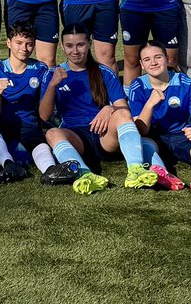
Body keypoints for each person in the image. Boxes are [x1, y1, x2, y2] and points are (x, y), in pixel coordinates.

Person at [38, 25, 160, 195]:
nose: (75, 51)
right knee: (52, 133)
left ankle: (136, 170)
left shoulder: (105, 72)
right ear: (62, 47)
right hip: (76, 138)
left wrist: (109, 108)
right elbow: (44, 115)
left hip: (103, 135)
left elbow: (123, 108)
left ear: (89, 43)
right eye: (69, 46)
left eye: (80, 44)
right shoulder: (53, 74)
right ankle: (83, 174)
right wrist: (52, 85)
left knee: (123, 114)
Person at [126, 41, 191, 194]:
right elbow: (141, 131)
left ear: (167, 58)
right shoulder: (137, 87)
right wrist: (149, 104)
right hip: (153, 138)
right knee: (143, 144)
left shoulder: (186, 84)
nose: (153, 63)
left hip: (181, 136)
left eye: (158, 57)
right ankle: (161, 174)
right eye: (147, 60)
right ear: (141, 64)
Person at [0, 22, 56, 182]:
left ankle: (51, 170)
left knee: (38, 143)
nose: (24, 48)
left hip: (29, 124)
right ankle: (9, 166)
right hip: (2, 125)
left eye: (29, 44)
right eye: (19, 43)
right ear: (8, 43)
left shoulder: (40, 69)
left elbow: (44, 111)